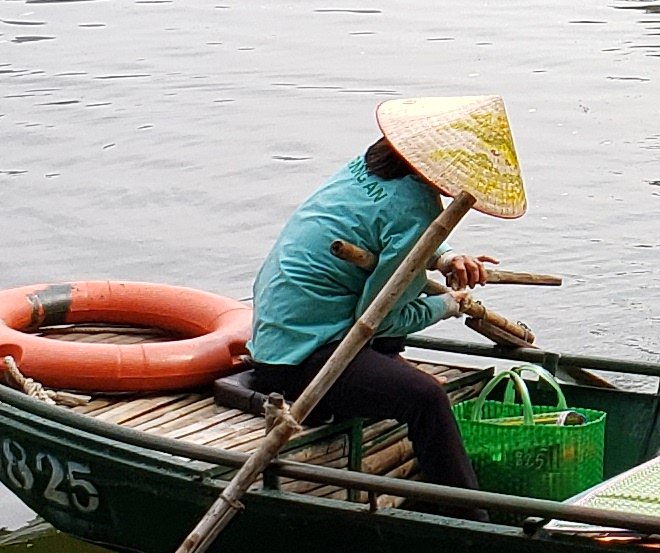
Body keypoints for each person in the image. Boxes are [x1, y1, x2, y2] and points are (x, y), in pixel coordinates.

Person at [226, 94, 529, 486]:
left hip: (276, 330)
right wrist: (447, 305)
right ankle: (470, 512)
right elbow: (381, 319)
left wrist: (446, 257)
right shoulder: (415, 210)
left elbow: (395, 232)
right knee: (427, 399)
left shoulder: (370, 166)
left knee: (396, 288)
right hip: (298, 359)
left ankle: (385, 366)